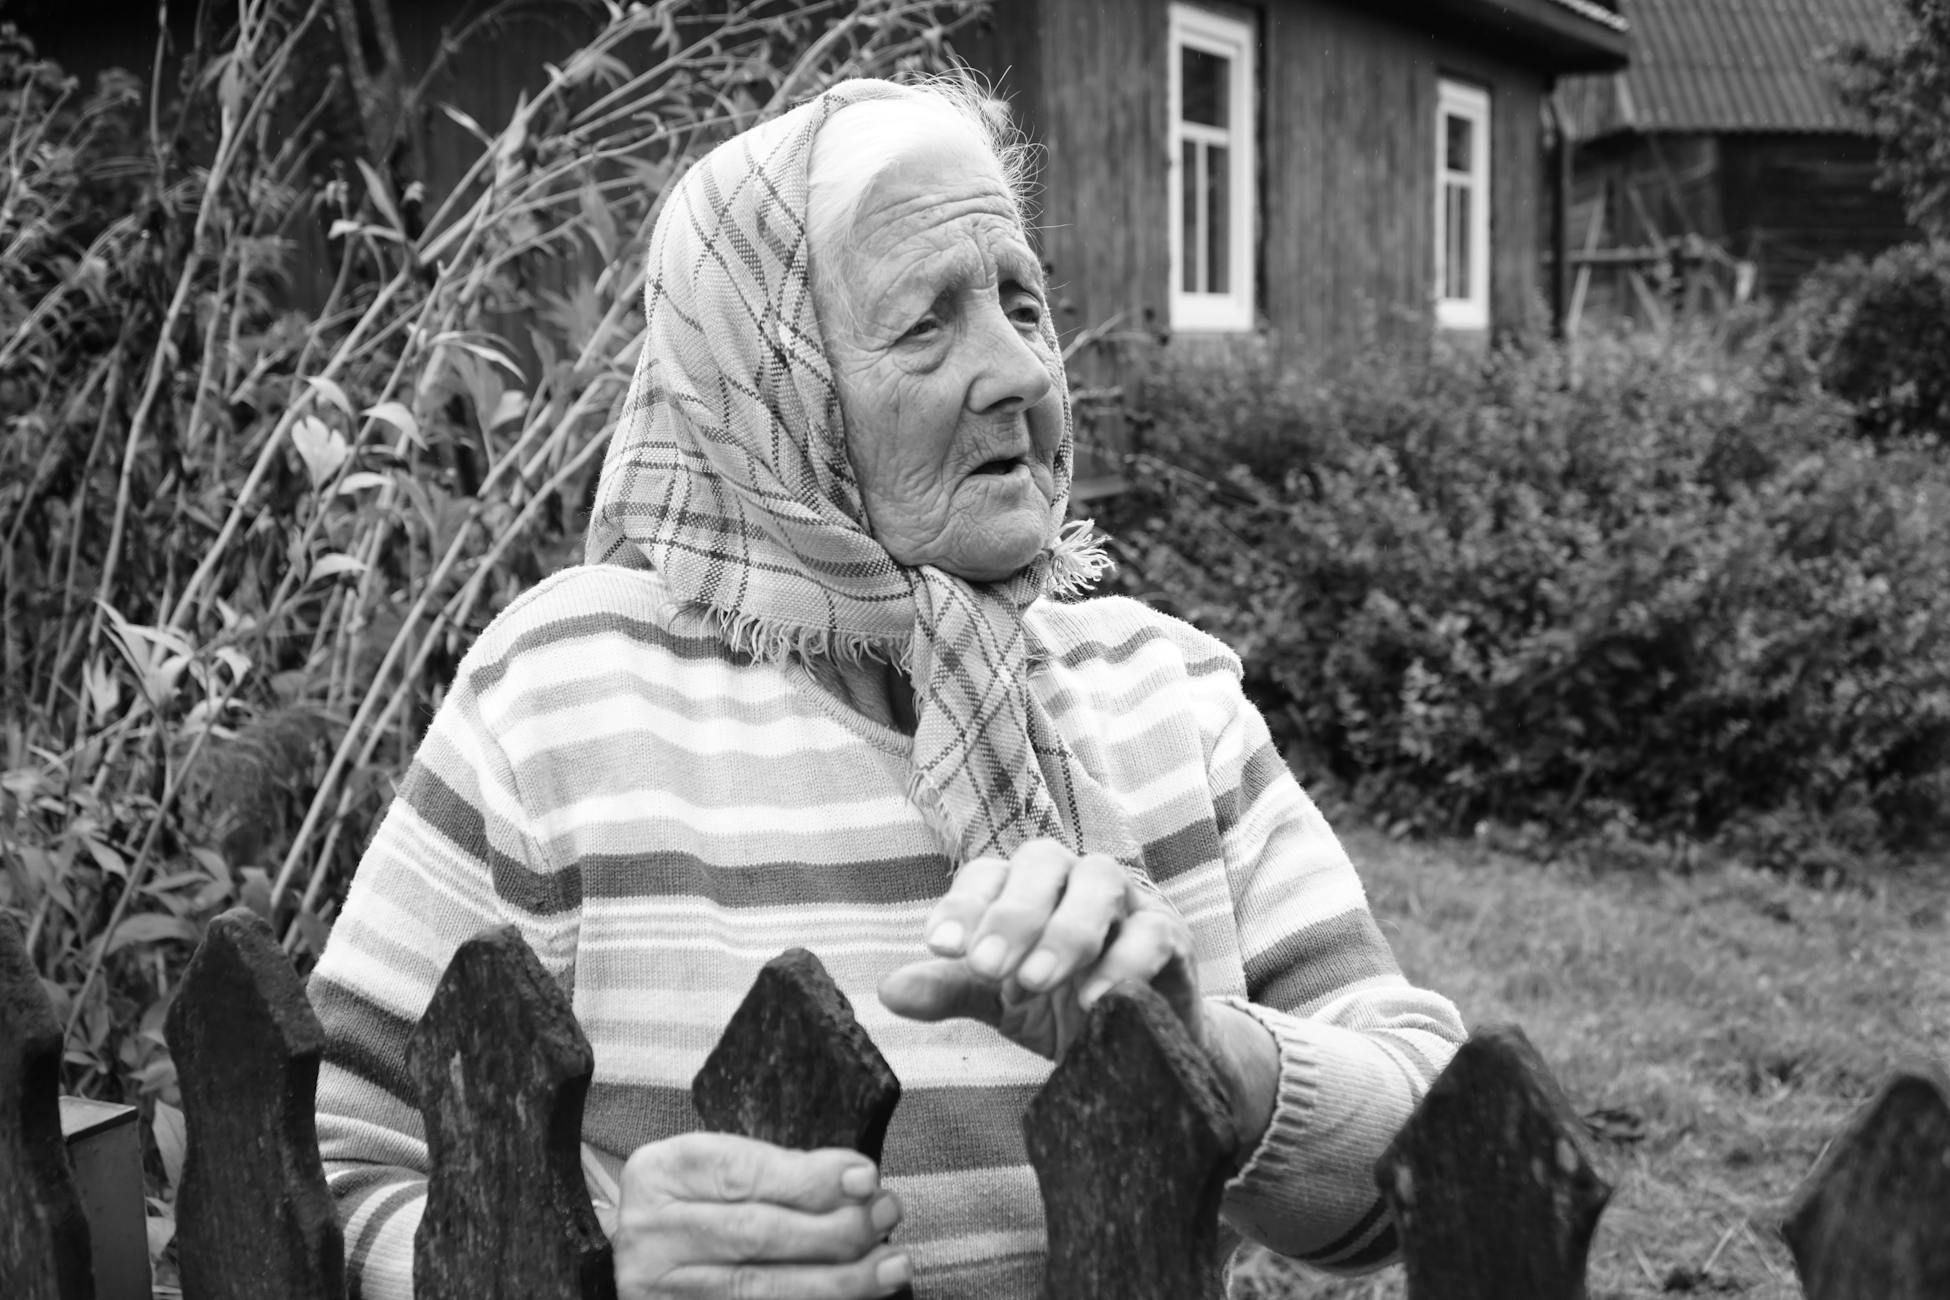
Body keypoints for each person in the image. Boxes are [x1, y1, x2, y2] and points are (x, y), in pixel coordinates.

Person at [309, 76, 1466, 1300]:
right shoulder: (561, 698)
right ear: (775, 385)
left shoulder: (1165, 698)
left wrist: (1221, 1065)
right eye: (926, 324)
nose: (1021, 370)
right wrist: (580, 1274)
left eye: (1024, 302)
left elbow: (1443, 1150)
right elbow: (334, 1164)